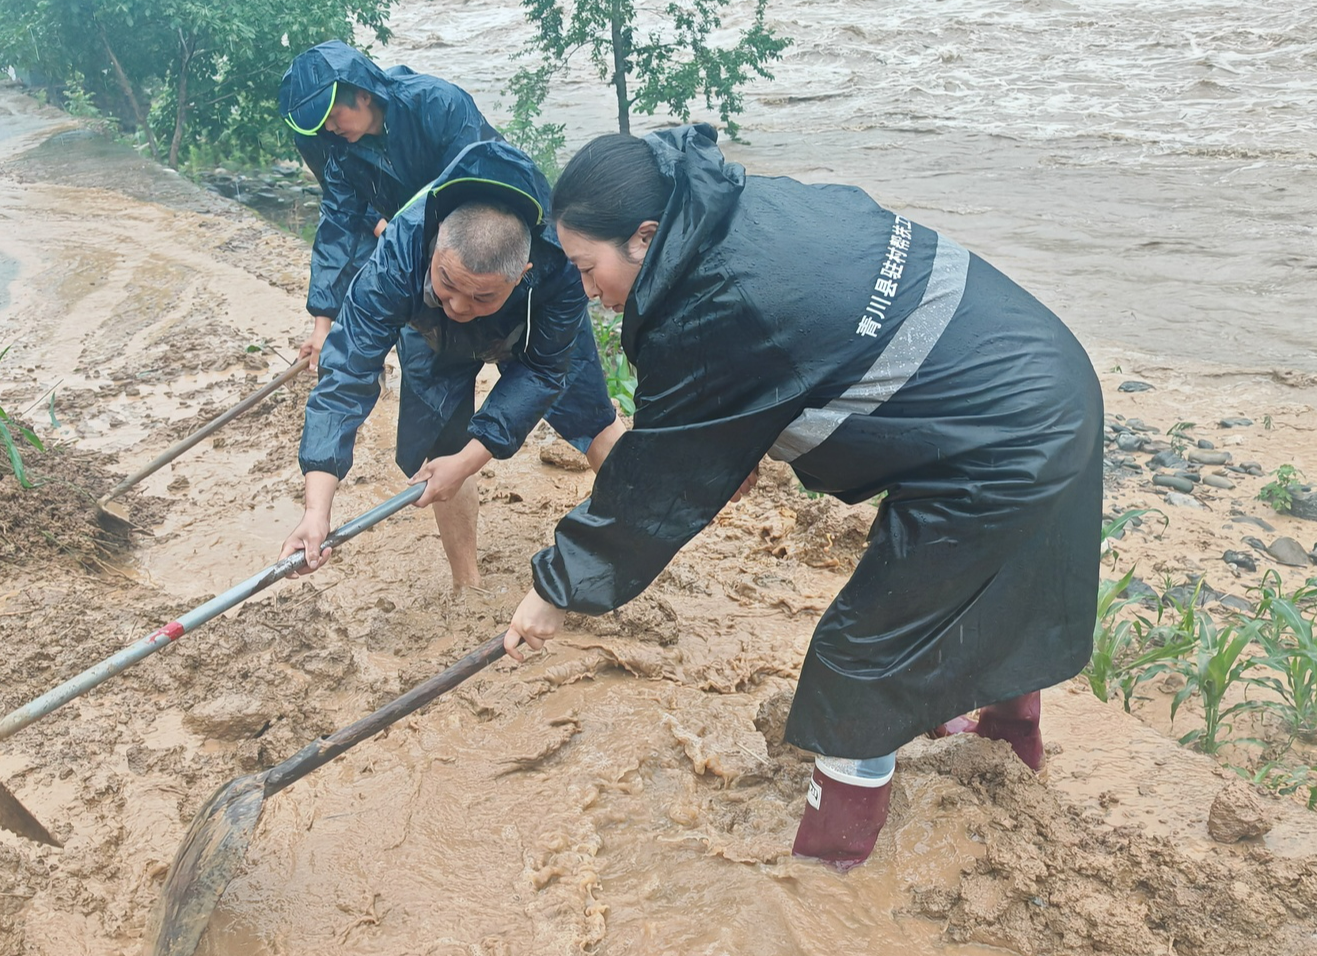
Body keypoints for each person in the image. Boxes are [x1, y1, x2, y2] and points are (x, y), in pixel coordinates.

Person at [502, 125, 1103, 869]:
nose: (591, 292)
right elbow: (804, 339)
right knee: (979, 587)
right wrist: (736, 440)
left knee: (859, 658)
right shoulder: (743, 210)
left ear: (646, 237)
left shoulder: (716, 299)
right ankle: (1008, 753)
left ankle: (830, 869)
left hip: (1002, 438)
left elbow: (653, 480)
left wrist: (555, 590)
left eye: (588, 269)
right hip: (1041, 369)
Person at [280, 140, 626, 592]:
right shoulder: (399, 255)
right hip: (431, 332)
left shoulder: (561, 262)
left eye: (481, 295)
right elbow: (346, 375)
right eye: (448, 282)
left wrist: (470, 460)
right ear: (436, 241)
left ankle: (639, 530)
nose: (460, 306)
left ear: (522, 272)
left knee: (594, 417)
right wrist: (316, 511)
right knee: (443, 443)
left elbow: (543, 372)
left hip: (533, 322)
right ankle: (468, 585)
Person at [278, 41, 499, 372]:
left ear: (363, 94)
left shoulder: (437, 104)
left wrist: (400, 235)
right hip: (417, 253)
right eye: (322, 123)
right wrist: (322, 325)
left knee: (527, 360)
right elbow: (337, 225)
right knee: (426, 365)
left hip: (485, 243)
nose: (330, 128)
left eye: (333, 116)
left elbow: (472, 184)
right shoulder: (341, 150)